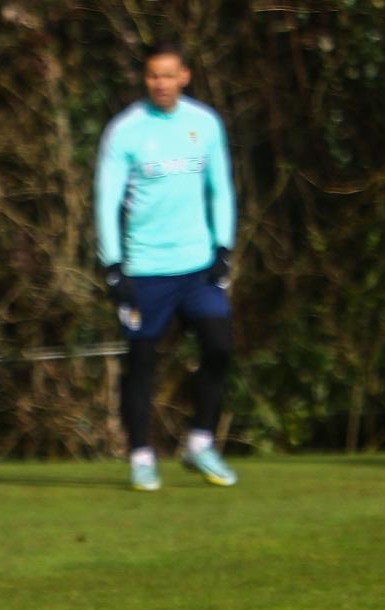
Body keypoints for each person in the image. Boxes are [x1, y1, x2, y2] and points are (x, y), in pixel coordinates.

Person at [94, 39, 238, 491]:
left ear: (184, 76)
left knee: (219, 347)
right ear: (145, 78)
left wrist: (224, 247)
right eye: (154, 75)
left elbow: (222, 188)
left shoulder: (205, 123)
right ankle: (140, 455)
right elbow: (105, 198)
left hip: (197, 267)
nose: (161, 83)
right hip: (145, 270)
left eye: (169, 74)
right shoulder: (125, 130)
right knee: (141, 364)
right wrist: (112, 265)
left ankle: (200, 443)